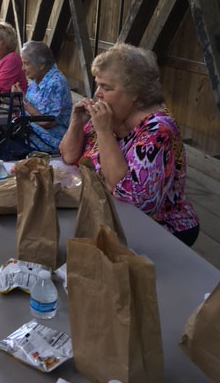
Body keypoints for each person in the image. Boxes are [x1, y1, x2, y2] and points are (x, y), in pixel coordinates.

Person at [60, 43, 199, 245]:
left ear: (135, 93)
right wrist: (76, 122)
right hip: (108, 216)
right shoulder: (112, 115)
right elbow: (68, 156)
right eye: (97, 84)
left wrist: (104, 132)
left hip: (160, 230)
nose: (97, 93)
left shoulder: (158, 131)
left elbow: (134, 199)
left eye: (106, 88)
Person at [11, 41, 72, 152]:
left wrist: (24, 105)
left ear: (42, 65)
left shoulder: (55, 83)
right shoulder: (38, 79)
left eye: (26, 64)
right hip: (30, 136)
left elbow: (47, 122)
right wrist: (20, 98)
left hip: (47, 142)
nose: (22, 68)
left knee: (2, 150)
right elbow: (32, 106)